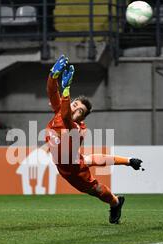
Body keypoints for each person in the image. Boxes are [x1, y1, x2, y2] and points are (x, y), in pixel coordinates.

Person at [45, 55, 144, 224]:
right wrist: (53, 74)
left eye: (80, 111)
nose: (76, 110)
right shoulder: (59, 112)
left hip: (74, 171)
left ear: (82, 118)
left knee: (97, 190)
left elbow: (68, 118)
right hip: (69, 162)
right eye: (75, 105)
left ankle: (116, 203)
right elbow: (52, 91)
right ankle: (127, 163)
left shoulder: (77, 129)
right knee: (91, 159)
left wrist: (67, 90)